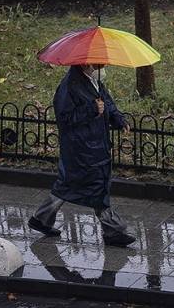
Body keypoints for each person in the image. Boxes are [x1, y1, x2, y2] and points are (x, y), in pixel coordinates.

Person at [28, 64, 136, 247]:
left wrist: (118, 118)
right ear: (86, 64)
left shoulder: (94, 82)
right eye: (98, 63)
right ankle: (113, 230)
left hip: (95, 145)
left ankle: (41, 219)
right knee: (96, 187)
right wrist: (92, 109)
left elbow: (106, 103)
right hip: (80, 148)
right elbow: (65, 117)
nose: (102, 66)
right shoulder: (69, 86)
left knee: (70, 186)